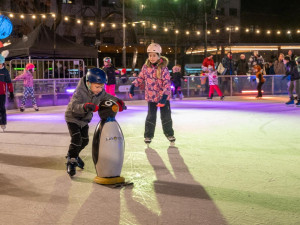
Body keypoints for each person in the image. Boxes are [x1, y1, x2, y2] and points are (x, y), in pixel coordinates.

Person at [64, 67, 126, 176]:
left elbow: (107, 96)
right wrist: (85, 106)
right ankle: (71, 159)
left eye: (101, 87)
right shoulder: (80, 92)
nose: (99, 89)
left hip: (84, 120)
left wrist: (118, 101)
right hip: (73, 118)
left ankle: (75, 155)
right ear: (88, 83)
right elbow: (74, 106)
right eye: (97, 86)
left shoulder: (100, 92)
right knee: (77, 139)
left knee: (85, 141)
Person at [129, 43, 175, 145]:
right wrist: (133, 86)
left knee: (166, 116)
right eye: (150, 55)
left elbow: (167, 84)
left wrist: (164, 97)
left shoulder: (164, 68)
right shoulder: (146, 67)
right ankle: (148, 135)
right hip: (151, 97)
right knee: (150, 116)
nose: (152, 57)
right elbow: (140, 78)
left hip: (163, 97)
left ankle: (169, 133)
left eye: (154, 55)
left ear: (159, 56)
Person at [0, 52, 14, 131]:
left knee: (2, 108)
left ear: (3, 63)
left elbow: (9, 83)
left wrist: (11, 92)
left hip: (2, 93)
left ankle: (3, 122)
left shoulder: (5, 71)